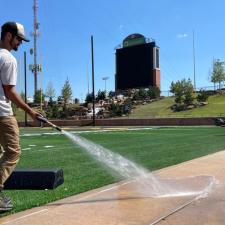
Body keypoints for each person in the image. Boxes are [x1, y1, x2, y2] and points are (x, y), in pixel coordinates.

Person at [0, 21, 42, 211]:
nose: (20, 43)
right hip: (2, 114)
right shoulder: (8, 59)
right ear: (9, 36)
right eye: (18, 39)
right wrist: (31, 111)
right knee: (13, 151)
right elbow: (9, 91)